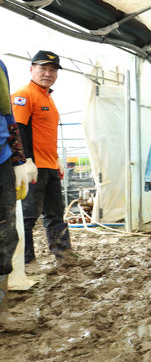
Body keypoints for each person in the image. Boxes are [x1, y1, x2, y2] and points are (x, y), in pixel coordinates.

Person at [11, 51, 86, 270]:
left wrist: (57, 158)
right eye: (43, 68)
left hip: (50, 165)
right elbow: (18, 130)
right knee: (28, 215)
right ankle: (26, 261)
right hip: (34, 168)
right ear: (31, 68)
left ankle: (63, 255)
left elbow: (45, 134)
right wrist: (25, 160)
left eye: (52, 70)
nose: (48, 73)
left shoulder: (48, 98)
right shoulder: (23, 95)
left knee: (55, 214)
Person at [1, 58, 37, 332]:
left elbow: (8, 117)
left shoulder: (0, 66)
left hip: (2, 157)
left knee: (5, 234)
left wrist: (18, 160)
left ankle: (2, 313)